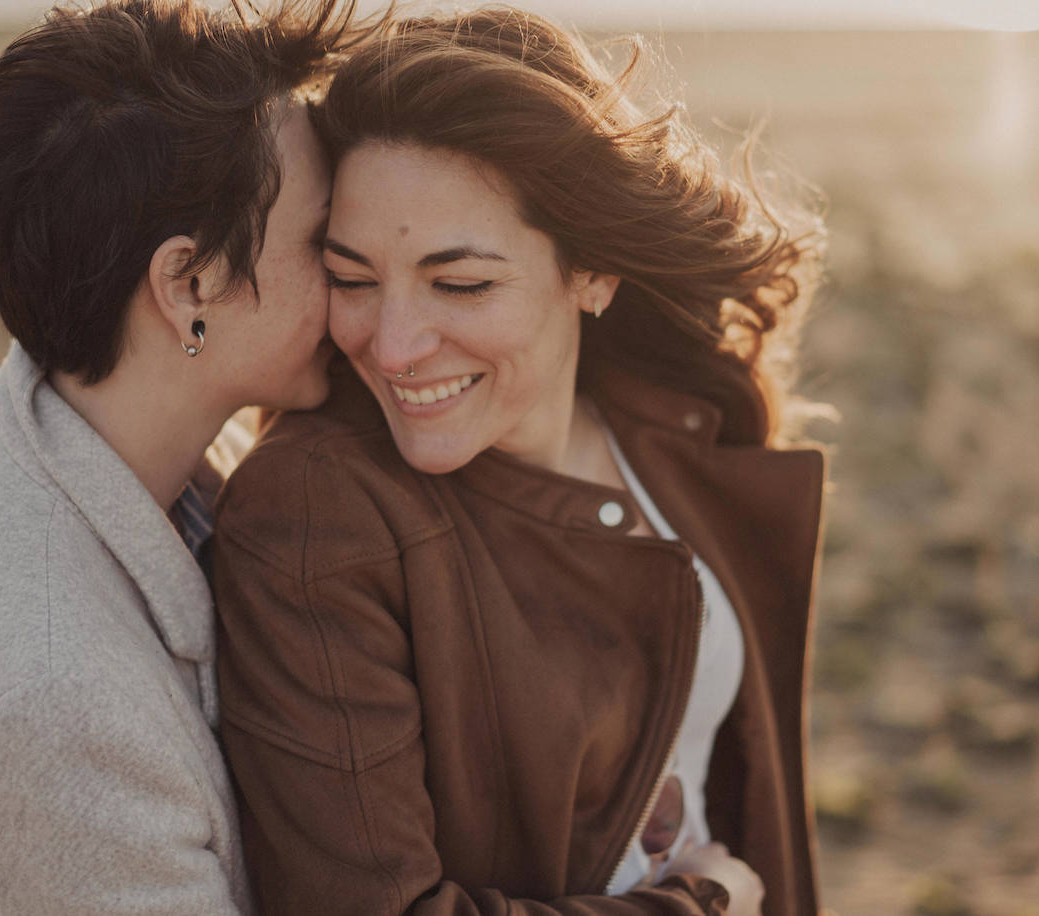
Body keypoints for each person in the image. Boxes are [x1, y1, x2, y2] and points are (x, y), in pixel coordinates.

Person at [209, 7, 827, 916]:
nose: (393, 345)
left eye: (460, 284)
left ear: (593, 271)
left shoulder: (672, 428)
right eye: (353, 277)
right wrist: (699, 905)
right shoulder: (319, 516)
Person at [0, 1, 364, 912]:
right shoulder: (56, 710)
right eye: (322, 240)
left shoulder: (102, 444)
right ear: (187, 287)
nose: (355, 275)